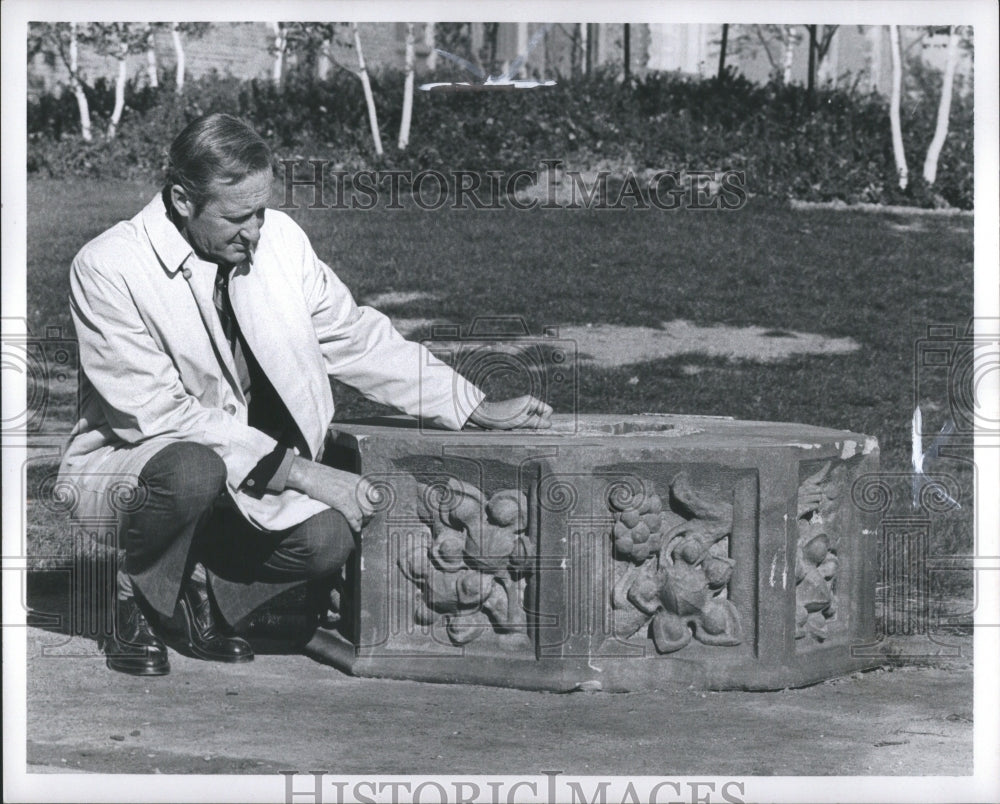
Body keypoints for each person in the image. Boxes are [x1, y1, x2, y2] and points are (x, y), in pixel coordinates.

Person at [58, 113, 552, 676]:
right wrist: (306, 474)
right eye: (237, 216)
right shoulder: (107, 266)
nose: (255, 231)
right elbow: (158, 415)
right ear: (180, 200)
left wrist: (468, 404)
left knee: (326, 538)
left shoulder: (282, 242)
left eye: (262, 210)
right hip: (139, 465)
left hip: (244, 477)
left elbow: (354, 336)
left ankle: (196, 588)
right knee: (191, 469)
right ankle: (136, 599)